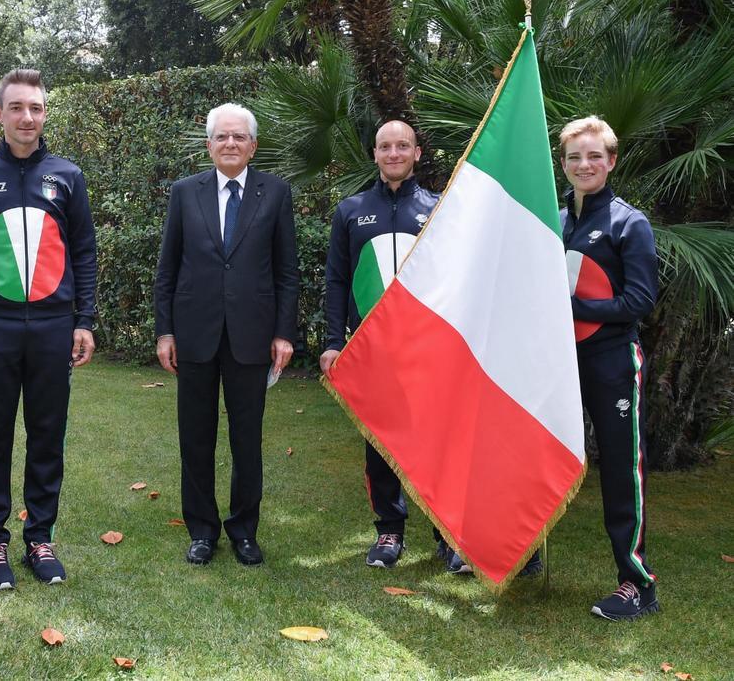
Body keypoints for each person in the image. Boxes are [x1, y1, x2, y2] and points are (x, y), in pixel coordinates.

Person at [320, 120, 543, 577]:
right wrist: (331, 342)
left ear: (418, 153)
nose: (394, 153)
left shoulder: (440, 208)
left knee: (440, 441)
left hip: (431, 349)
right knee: (379, 441)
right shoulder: (351, 210)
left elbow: (461, 279)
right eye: (385, 146)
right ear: (375, 154)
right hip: (373, 350)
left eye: (403, 145)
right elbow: (337, 282)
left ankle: (448, 535)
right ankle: (389, 531)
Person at [0, 68, 96, 590]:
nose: (26, 117)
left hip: (54, 326)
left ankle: (41, 537)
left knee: (47, 433)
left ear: (44, 113)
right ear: (0, 114)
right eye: (17, 108)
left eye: (35, 107)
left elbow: (83, 253)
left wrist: (85, 321)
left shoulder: (68, 176)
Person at [154, 102, 299, 566]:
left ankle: (244, 530)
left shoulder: (275, 193)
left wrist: (283, 332)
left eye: (239, 137)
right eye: (222, 137)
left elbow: (286, 272)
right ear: (210, 144)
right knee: (195, 437)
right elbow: (167, 269)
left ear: (253, 145)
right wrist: (164, 332)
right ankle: (201, 530)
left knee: (246, 438)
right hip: (195, 335)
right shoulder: (184, 193)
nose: (231, 144)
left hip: (252, 337)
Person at [559, 116, 660, 620]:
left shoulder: (628, 222)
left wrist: (569, 306)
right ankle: (524, 554)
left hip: (612, 360)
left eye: (594, 155)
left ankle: (635, 583)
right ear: (563, 164)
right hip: (558, 362)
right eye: (575, 157)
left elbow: (639, 300)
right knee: (543, 451)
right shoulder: (555, 221)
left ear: (611, 160)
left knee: (622, 471)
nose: (584, 165)